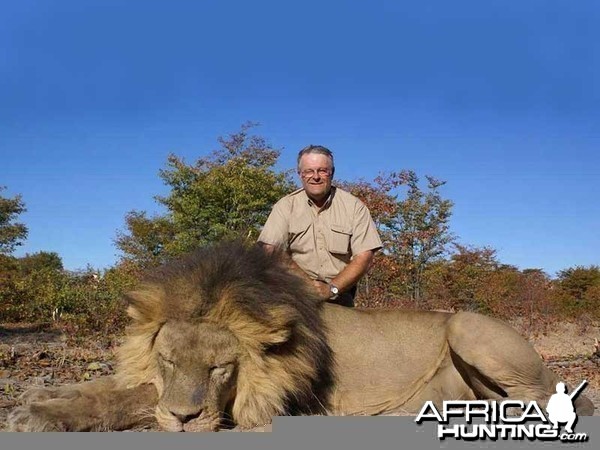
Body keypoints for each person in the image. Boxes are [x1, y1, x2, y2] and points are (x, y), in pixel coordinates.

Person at [258, 145, 382, 307]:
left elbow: (364, 257)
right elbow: (270, 250)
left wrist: (332, 289)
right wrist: (307, 286)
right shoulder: (285, 206)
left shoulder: (354, 207)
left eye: (322, 171)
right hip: (293, 297)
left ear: (332, 173)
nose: (315, 176)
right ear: (300, 174)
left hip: (339, 298)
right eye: (309, 171)